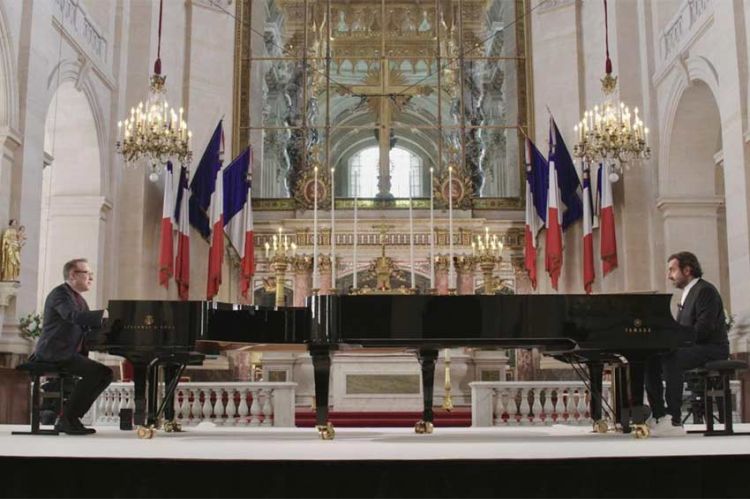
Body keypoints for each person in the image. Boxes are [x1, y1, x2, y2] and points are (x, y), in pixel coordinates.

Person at [645, 251, 729, 436]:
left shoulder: (705, 290)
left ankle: (674, 419)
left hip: (713, 348)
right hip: (695, 346)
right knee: (650, 358)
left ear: (687, 270)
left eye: (672, 270)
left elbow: (704, 329)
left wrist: (673, 342)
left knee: (672, 358)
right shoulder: (689, 292)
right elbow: (681, 329)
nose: (669, 276)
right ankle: (659, 414)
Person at [31, 258, 112, 435]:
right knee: (100, 372)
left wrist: (110, 336)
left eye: (91, 274)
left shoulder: (79, 299)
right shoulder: (60, 294)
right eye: (87, 274)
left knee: (104, 373)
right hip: (54, 352)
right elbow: (73, 316)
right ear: (73, 275)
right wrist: (103, 315)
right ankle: (68, 419)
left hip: (67, 353)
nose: (91, 277)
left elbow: (86, 327)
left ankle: (70, 417)